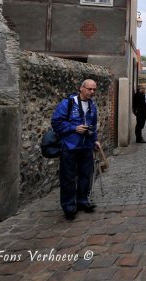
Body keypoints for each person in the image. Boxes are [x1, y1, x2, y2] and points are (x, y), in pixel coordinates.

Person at [51, 79, 100, 220]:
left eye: (94, 90)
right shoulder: (68, 103)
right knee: (68, 177)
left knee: (86, 175)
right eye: (90, 89)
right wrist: (74, 128)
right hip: (70, 146)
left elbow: (93, 125)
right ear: (81, 88)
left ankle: (82, 201)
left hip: (86, 146)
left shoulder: (92, 105)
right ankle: (69, 206)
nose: (92, 92)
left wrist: (95, 140)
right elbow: (56, 123)